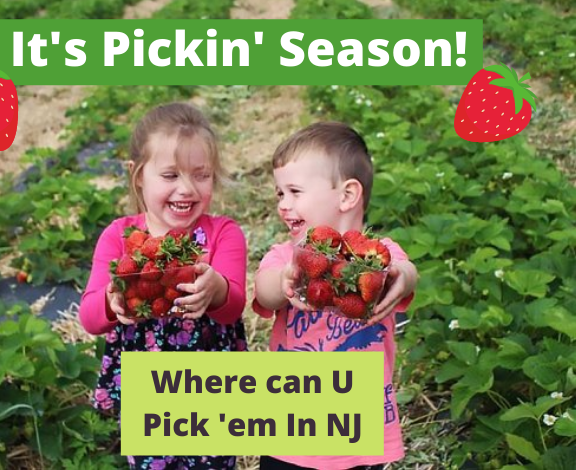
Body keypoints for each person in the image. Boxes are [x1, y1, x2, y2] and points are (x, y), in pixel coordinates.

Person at [79, 102, 247, 470]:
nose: (186, 189)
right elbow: (90, 318)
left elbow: (234, 305)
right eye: (170, 175)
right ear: (138, 175)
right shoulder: (119, 237)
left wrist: (214, 288)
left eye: (201, 175)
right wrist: (113, 302)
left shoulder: (223, 234)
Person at [252, 122, 419, 470]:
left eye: (295, 191)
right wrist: (284, 279)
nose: (284, 205)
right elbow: (264, 292)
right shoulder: (288, 255)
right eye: (280, 194)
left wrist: (400, 276)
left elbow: (406, 271)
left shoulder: (379, 255)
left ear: (346, 195)